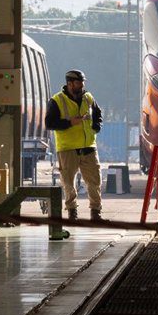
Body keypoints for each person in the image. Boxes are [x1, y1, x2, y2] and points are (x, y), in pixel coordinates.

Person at [45, 69, 103, 221]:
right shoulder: (57, 101)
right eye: (78, 83)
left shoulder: (88, 98)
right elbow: (49, 123)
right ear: (69, 84)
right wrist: (70, 122)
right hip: (67, 148)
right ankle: (72, 214)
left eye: (83, 82)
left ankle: (96, 214)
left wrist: (97, 126)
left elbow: (98, 114)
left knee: (94, 181)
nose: (82, 85)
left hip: (89, 146)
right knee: (68, 183)